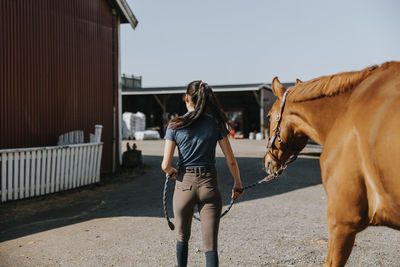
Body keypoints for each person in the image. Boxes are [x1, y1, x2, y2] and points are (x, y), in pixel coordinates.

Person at [161, 80, 244, 267]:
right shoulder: (215, 124)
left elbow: (165, 164)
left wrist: (172, 172)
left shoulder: (174, 125)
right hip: (210, 185)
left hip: (184, 185)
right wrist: (237, 183)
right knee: (210, 246)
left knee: (182, 237)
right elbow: (231, 160)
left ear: (187, 98)